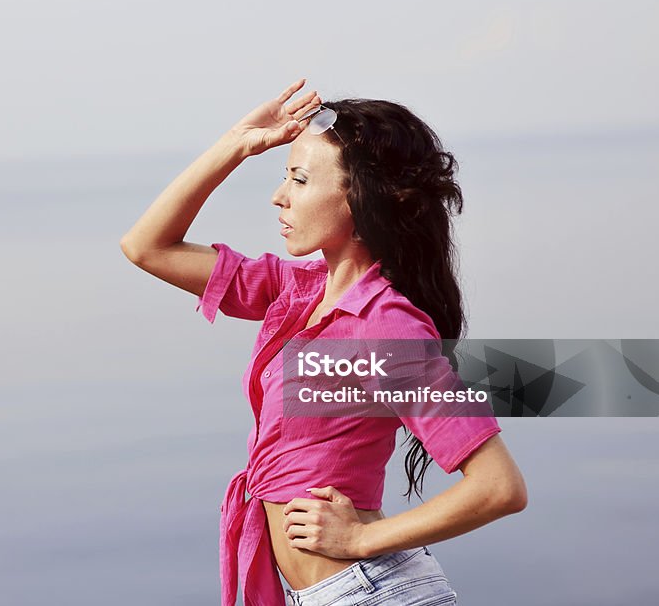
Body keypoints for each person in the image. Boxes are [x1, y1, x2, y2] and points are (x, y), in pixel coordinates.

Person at [120, 79, 527, 605]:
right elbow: (148, 246)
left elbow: (498, 487)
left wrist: (361, 537)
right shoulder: (293, 294)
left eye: (300, 179)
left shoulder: (387, 326)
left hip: (369, 593)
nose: (280, 195)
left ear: (361, 198)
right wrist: (238, 142)